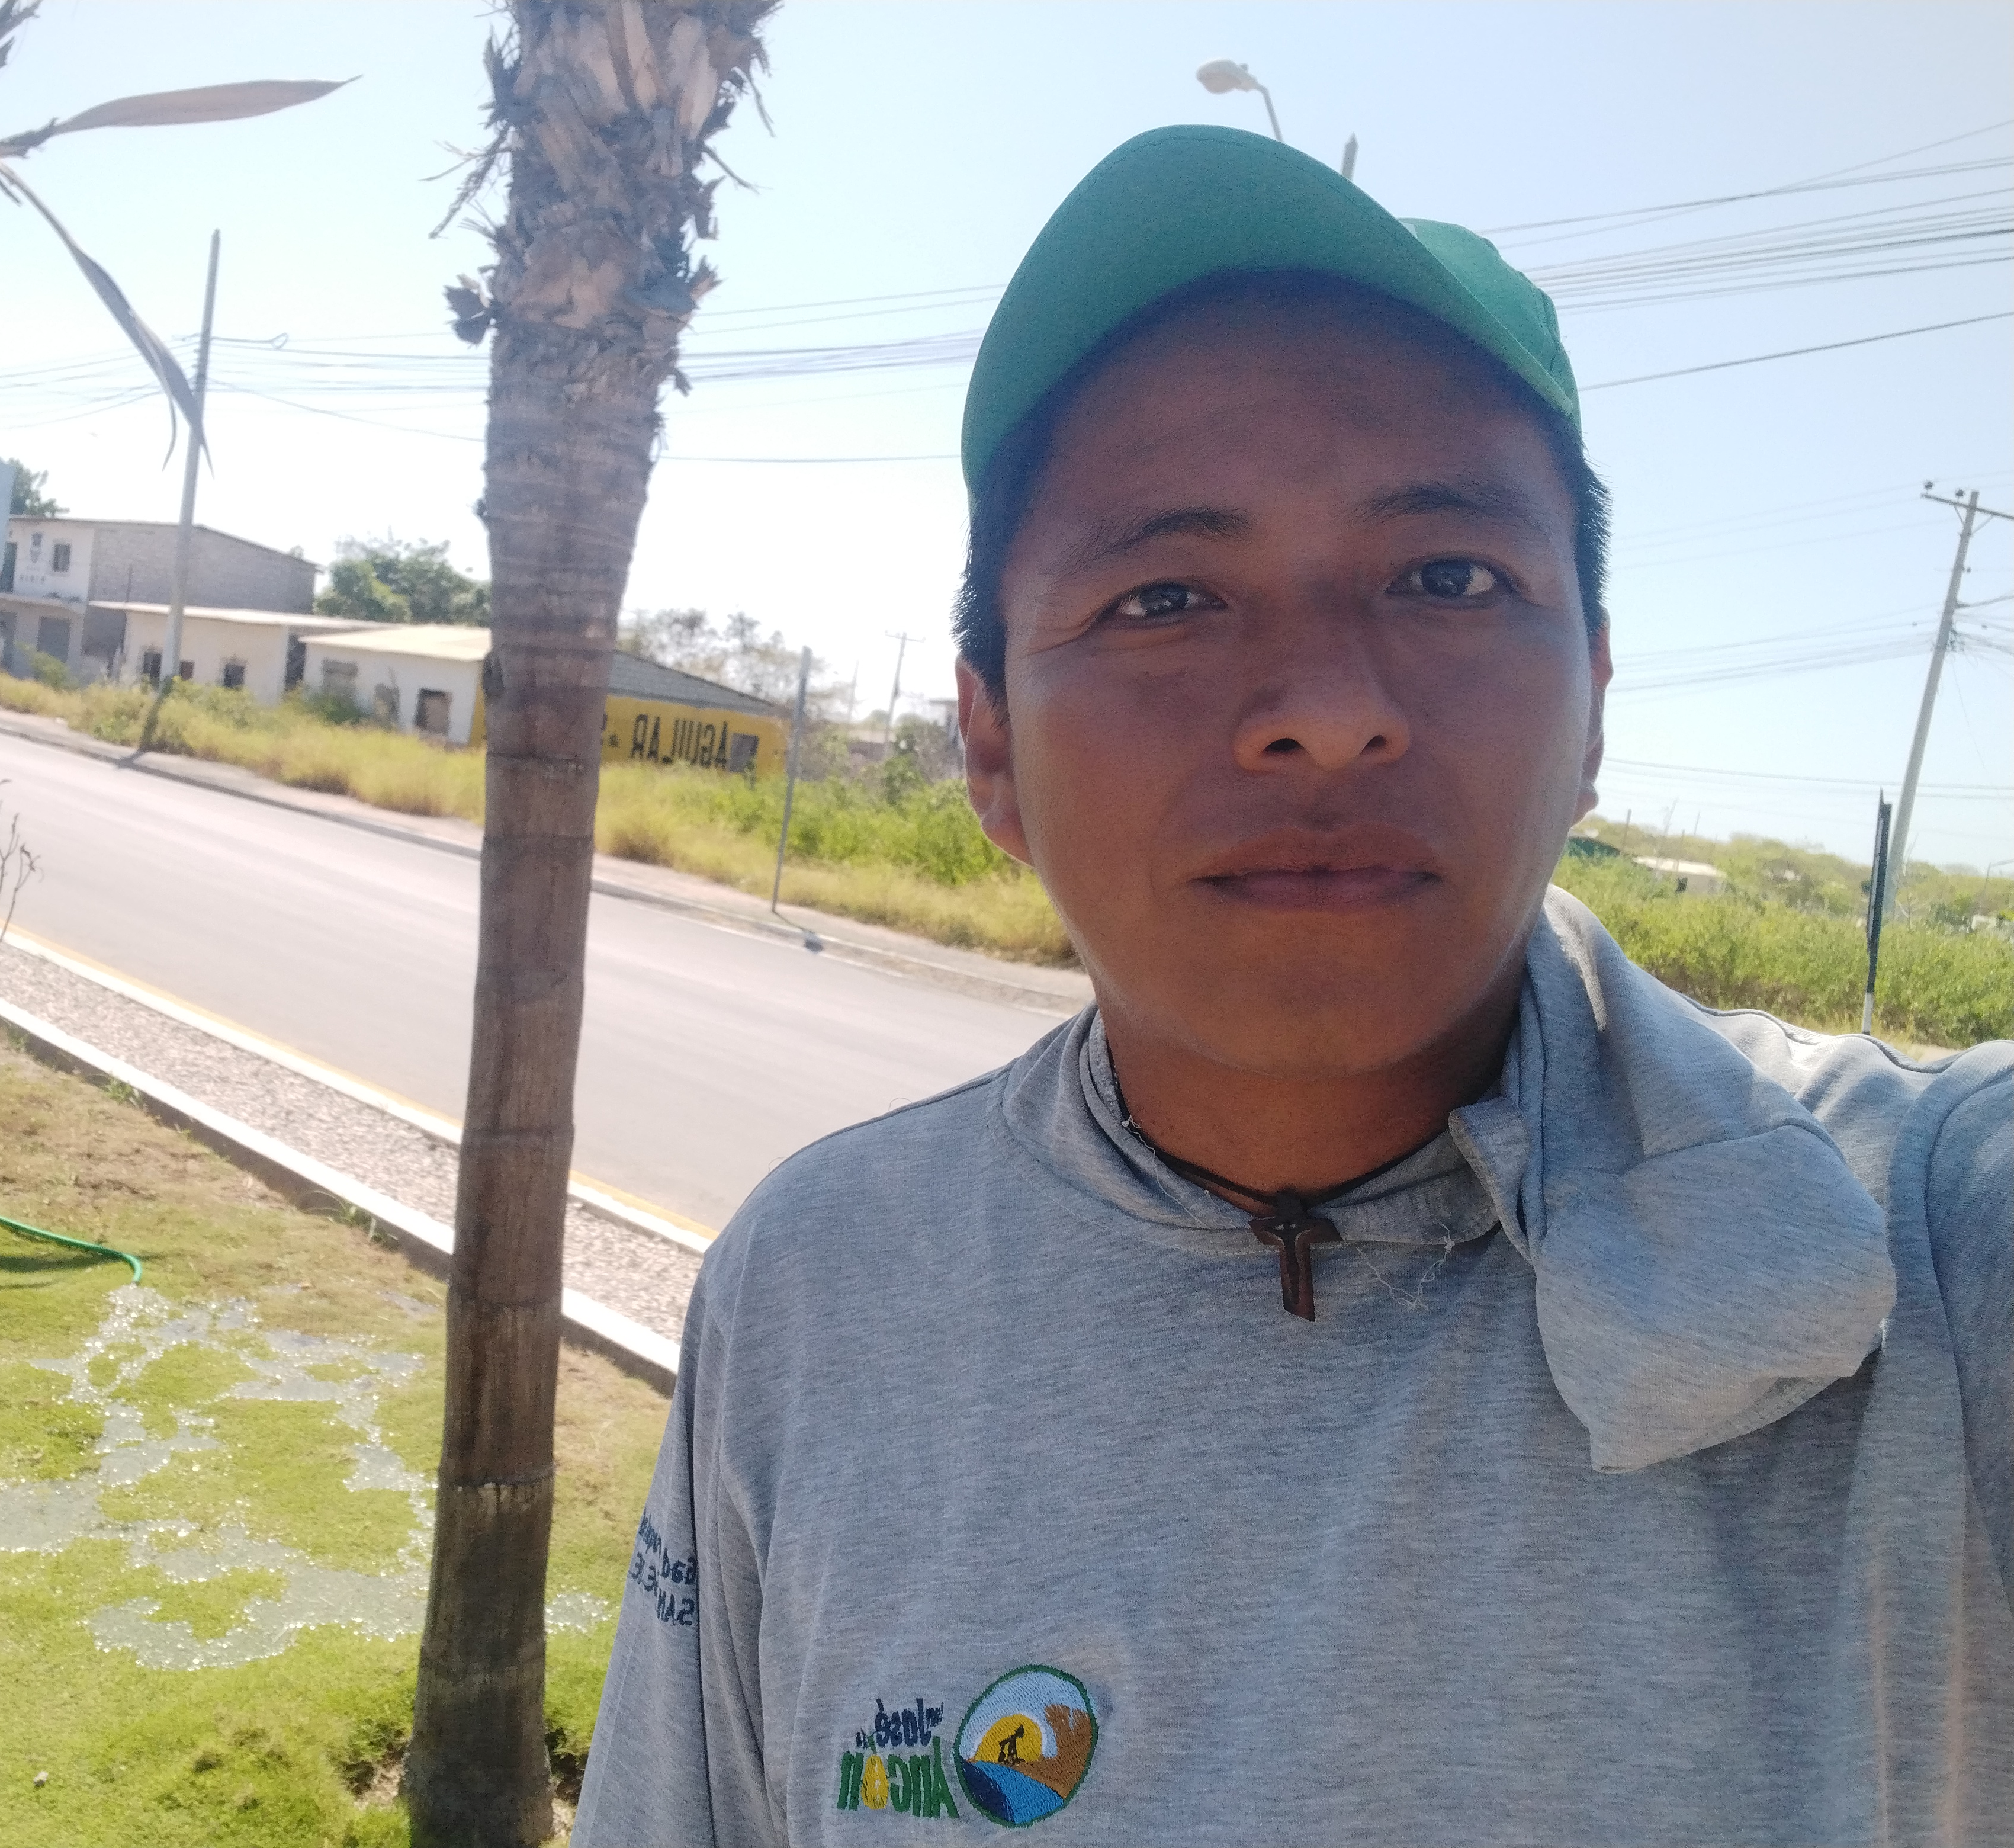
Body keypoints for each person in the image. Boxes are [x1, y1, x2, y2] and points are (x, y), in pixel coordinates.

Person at [573, 126, 2010, 1846]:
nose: (1328, 710)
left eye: (1450, 578)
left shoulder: (1926, 1239)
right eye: (1164, 596)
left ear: (1594, 710)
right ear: (991, 745)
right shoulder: (820, 1286)